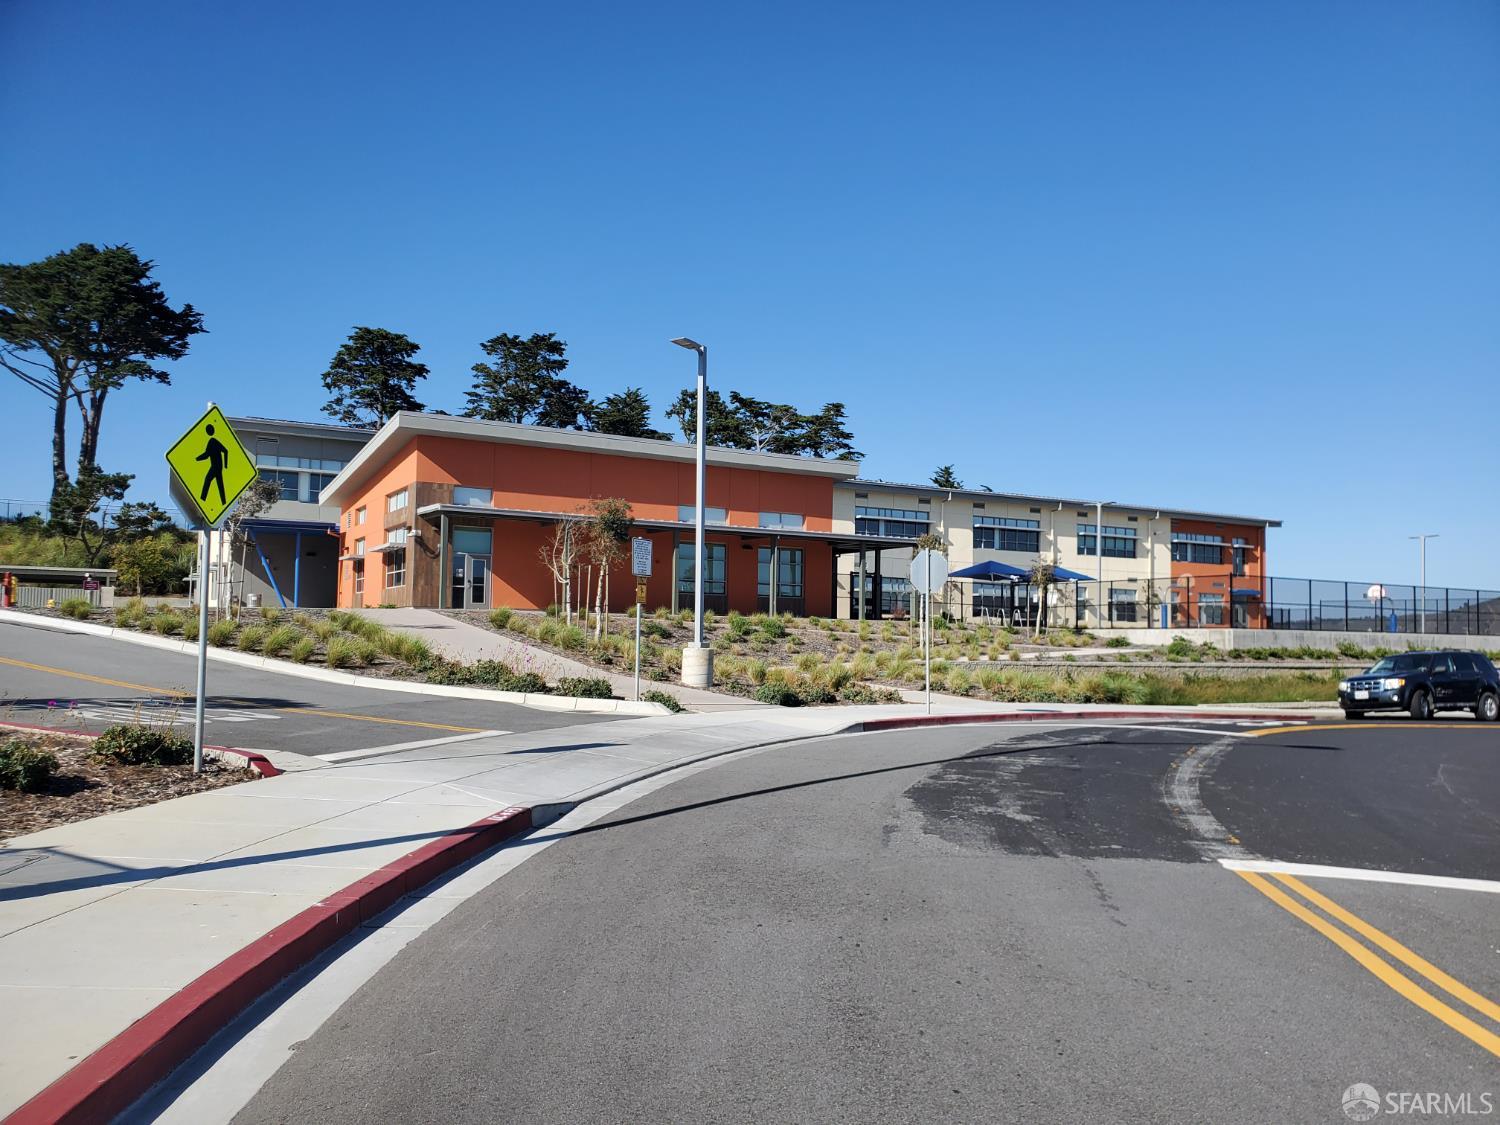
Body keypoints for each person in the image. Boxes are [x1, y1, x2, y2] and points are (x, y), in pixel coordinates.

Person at [196, 423, 230, 506]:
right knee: (220, 485)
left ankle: (202, 499)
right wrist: (224, 465)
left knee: (207, 480)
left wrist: (196, 459)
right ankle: (223, 502)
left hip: (215, 467)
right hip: (219, 467)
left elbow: (206, 455)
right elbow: (225, 451)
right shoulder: (214, 441)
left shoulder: (212, 441)